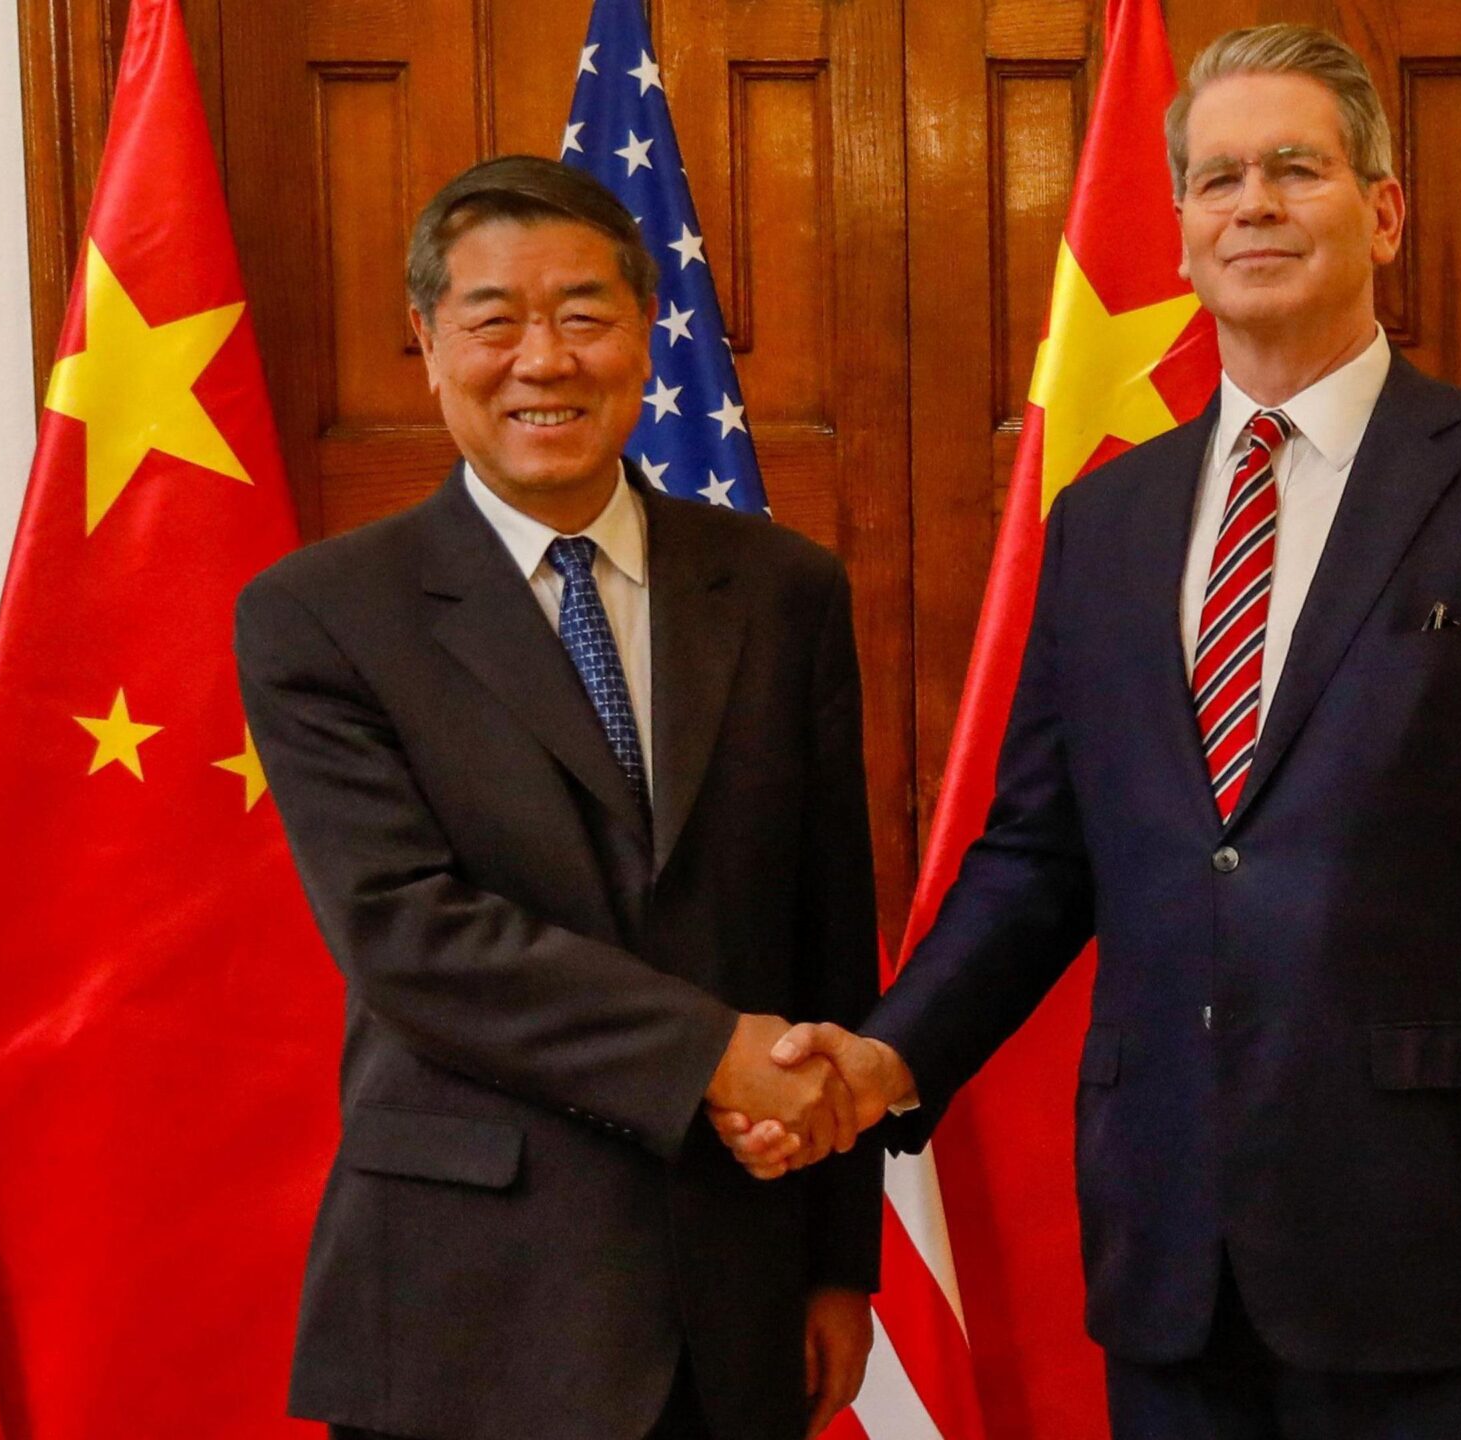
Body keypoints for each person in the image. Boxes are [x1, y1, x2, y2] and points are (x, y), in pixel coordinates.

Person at [722, 24, 1461, 1438]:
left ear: (1384, 211)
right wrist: (882, 1060)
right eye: (1219, 179)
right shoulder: (1104, 522)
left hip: (1445, 1257)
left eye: (1297, 167)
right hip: (1175, 1255)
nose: (1255, 204)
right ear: (1179, 234)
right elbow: (1039, 858)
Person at [235, 154, 881, 1440]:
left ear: (647, 335)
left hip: (734, 1294)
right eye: (494, 320)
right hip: (468, 1307)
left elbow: (828, 932)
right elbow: (409, 936)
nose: (544, 359)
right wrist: (707, 1052)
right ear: (427, 342)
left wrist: (835, 1259)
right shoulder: (322, 615)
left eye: (585, 315)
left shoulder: (781, 589)